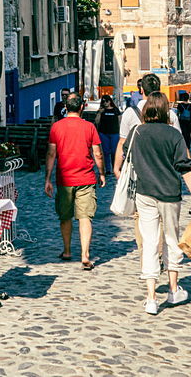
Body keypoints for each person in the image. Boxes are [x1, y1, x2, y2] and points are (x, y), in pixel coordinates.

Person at [125, 92, 191, 314]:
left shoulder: (136, 132)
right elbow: (185, 167)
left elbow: (126, 155)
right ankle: (172, 289)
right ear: (165, 110)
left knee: (149, 242)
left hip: (145, 193)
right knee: (171, 240)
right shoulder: (173, 134)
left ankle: (150, 297)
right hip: (169, 194)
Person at [44, 92, 106, 270]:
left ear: (65, 107)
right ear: (82, 107)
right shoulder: (89, 127)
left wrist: (47, 179)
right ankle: (85, 255)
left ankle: (67, 250)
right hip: (86, 178)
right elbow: (98, 153)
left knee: (65, 216)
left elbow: (51, 153)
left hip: (64, 179)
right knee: (85, 217)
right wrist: (101, 173)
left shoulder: (56, 127)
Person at [95, 94, 122, 167]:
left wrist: (120, 131)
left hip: (114, 133)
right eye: (103, 101)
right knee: (106, 152)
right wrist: (100, 113)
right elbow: (97, 122)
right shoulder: (101, 110)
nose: (105, 103)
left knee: (114, 151)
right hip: (104, 133)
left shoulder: (115, 110)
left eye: (106, 101)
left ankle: (114, 166)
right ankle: (108, 168)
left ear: (110, 101)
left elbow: (120, 121)